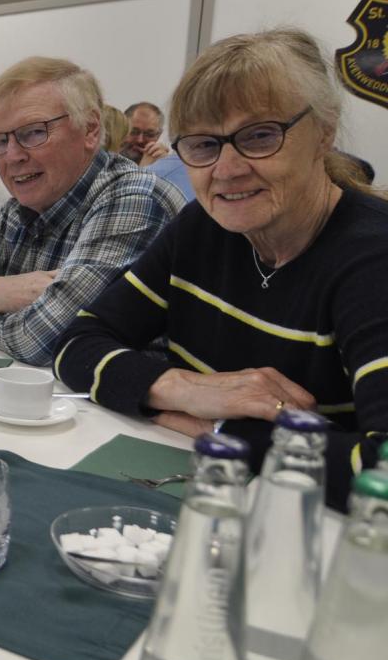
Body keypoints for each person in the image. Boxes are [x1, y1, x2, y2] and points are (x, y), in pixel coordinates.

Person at [54, 28, 388, 512]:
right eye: (203, 144)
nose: (226, 170)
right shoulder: (201, 228)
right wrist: (184, 389)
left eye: (260, 136)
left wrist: (224, 427)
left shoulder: (372, 259)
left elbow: (382, 472)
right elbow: (77, 343)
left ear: (324, 131)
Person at [0, 57, 185, 365]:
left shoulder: (136, 199)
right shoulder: (20, 209)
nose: (12, 156)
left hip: (112, 397)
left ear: (90, 130)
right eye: (1, 140)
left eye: (33, 132)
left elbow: (39, 340)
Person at [120, 101, 169, 166]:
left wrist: (166, 165)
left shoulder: (161, 162)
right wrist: (145, 169)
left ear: (158, 135)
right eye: (134, 132)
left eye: (149, 134)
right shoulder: (108, 160)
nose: (140, 140)